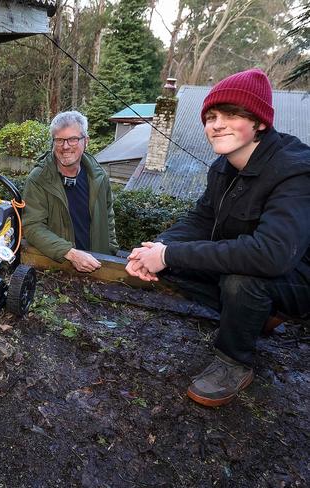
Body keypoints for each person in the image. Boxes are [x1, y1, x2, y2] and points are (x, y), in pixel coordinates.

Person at [125, 68, 310, 407]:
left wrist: (169, 255)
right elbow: (200, 219)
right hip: (252, 266)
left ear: (260, 122)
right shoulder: (223, 168)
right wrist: (157, 248)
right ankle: (255, 316)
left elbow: (271, 255)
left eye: (232, 115)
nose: (217, 124)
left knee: (242, 279)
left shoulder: (295, 170)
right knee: (176, 262)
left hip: (295, 278)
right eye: (211, 116)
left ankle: (234, 361)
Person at [23, 111, 118, 272]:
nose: (65, 146)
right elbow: (32, 227)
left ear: (86, 141)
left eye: (73, 139)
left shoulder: (98, 176)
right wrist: (70, 253)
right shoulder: (39, 179)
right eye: (59, 140)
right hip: (60, 266)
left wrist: (111, 250)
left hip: (97, 265)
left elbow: (108, 216)